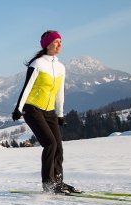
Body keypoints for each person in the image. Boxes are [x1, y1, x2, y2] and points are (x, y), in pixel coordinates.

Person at [12, 30, 80, 194]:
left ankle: (58, 182)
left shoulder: (60, 67)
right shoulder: (37, 64)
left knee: (59, 148)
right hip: (32, 109)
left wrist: (61, 114)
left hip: (50, 111)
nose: (59, 45)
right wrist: (18, 108)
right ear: (47, 45)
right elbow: (27, 87)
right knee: (50, 144)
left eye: (60, 42)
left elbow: (60, 93)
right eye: (56, 41)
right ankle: (49, 184)